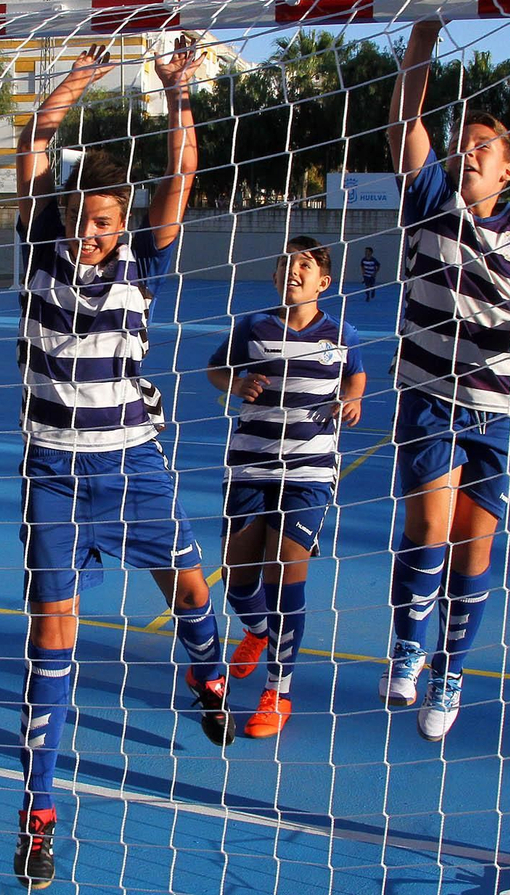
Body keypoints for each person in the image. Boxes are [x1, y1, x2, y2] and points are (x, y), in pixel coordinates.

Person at [10, 36, 230, 889]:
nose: (93, 233)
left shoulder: (147, 258)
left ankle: (209, 673)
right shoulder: (36, 250)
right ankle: (37, 814)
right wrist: (77, 80)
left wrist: (178, 96)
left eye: (106, 221)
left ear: (123, 221)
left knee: (190, 594)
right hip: (54, 476)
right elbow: (34, 142)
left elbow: (180, 180)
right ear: (66, 213)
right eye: (83, 218)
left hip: (133, 466)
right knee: (51, 637)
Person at [378, 20, 510, 742]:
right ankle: (409, 646)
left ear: (508, 170)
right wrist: (424, 36)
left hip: (500, 408)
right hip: (432, 398)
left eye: (485, 148)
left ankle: (451, 666)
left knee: (475, 552)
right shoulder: (430, 200)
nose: (468, 153)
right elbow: (402, 118)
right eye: (464, 144)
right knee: (430, 527)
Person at [208, 236, 365, 738]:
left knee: (284, 572)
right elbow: (217, 369)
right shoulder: (251, 327)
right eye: (285, 264)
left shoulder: (341, 334)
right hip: (250, 466)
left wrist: (353, 401)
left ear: (324, 281)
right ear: (275, 277)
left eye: (304, 264)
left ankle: (279, 691)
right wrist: (235, 384)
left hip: (309, 470)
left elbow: (355, 377)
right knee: (236, 576)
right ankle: (256, 632)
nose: (292, 270)